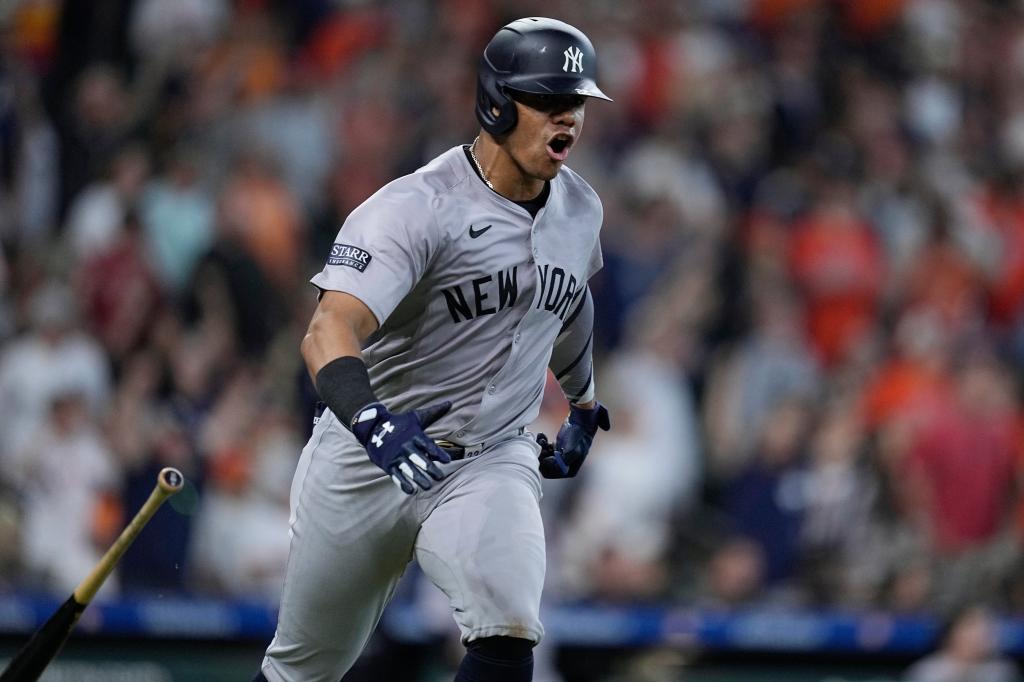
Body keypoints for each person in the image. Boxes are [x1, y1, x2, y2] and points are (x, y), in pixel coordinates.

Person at [253, 17, 612, 682]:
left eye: (577, 105)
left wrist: (585, 401)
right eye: (548, 102)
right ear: (497, 102)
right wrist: (373, 424)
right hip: (368, 459)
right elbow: (327, 329)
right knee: (304, 669)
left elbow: (567, 303)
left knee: (508, 626)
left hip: (490, 458)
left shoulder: (580, 209)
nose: (567, 120)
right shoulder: (415, 209)